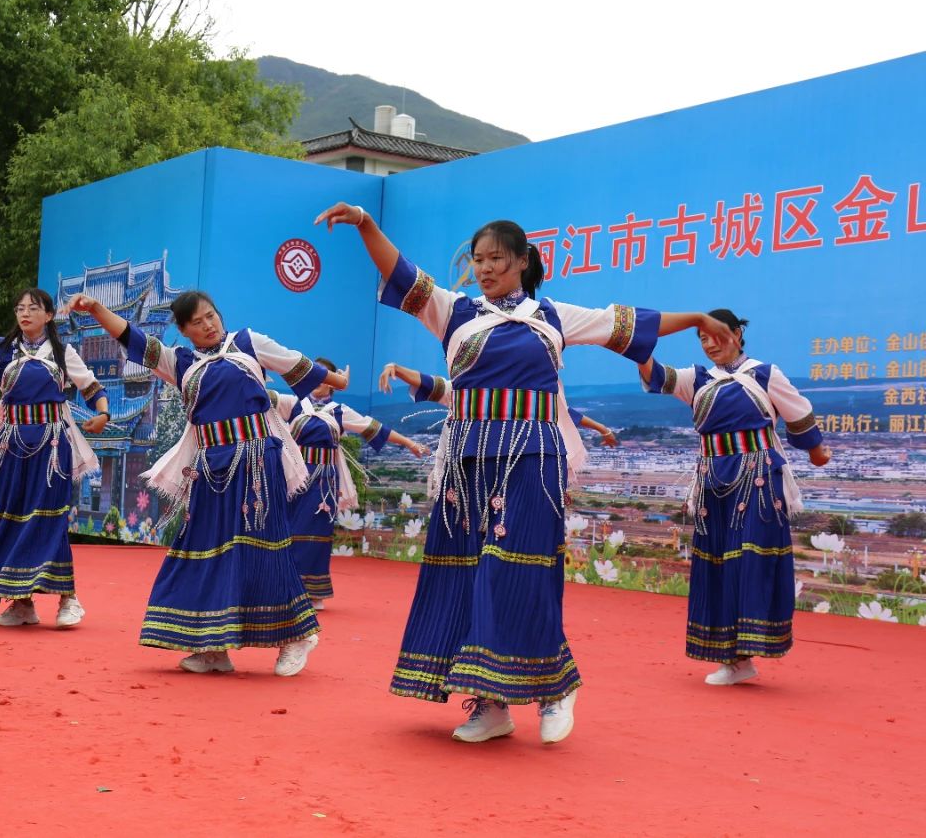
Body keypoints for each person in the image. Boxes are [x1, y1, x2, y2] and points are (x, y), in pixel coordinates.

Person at [315, 202, 732, 744]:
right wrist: (368, 225)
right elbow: (400, 273)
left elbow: (629, 323)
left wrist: (698, 319)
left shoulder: (553, 317)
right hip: (468, 461)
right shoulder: (455, 311)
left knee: (516, 571)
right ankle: (491, 704)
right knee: (468, 575)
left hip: (531, 459)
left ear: (522, 262)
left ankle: (555, 687)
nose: (485, 268)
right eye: (479, 260)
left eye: (496, 259)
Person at [66, 289, 346, 676]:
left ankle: (296, 636)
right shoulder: (179, 363)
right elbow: (132, 337)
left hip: (255, 461)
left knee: (263, 548)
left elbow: (295, 364)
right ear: (183, 330)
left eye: (211, 316)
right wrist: (96, 308)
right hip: (212, 468)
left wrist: (338, 380)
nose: (208, 325)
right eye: (197, 322)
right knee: (208, 548)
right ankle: (214, 645)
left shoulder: (248, 343)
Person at [639, 309, 829, 685]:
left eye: (716, 335)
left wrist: (816, 450)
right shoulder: (698, 378)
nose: (710, 343)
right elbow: (657, 376)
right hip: (713, 482)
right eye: (703, 338)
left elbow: (799, 415)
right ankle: (733, 660)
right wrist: (638, 345)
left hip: (757, 478)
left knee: (750, 560)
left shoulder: (763, 374)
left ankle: (744, 654)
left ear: (738, 334)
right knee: (718, 565)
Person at [0, 288, 108, 628]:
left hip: (51, 444)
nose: (25, 313)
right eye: (20, 308)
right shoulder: (0, 348)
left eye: (34, 308)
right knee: (10, 514)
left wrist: (103, 414)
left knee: (48, 516)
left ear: (48, 316)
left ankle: (68, 598)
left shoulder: (62, 351)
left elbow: (91, 387)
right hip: (12, 443)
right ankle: (21, 602)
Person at [269, 357, 430, 608]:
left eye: (324, 376)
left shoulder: (341, 412)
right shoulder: (293, 405)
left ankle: (312, 592)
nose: (317, 381)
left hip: (323, 481)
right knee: (289, 530)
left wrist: (409, 443)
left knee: (316, 533)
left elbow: (375, 428)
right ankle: (286, 587)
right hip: (294, 478)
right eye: (313, 375)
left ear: (333, 382)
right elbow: (261, 397)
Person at [380, 363, 620, 447]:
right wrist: (398, 370)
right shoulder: (464, 392)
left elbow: (566, 414)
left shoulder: (521, 396)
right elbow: (430, 382)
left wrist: (604, 429)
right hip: (465, 467)